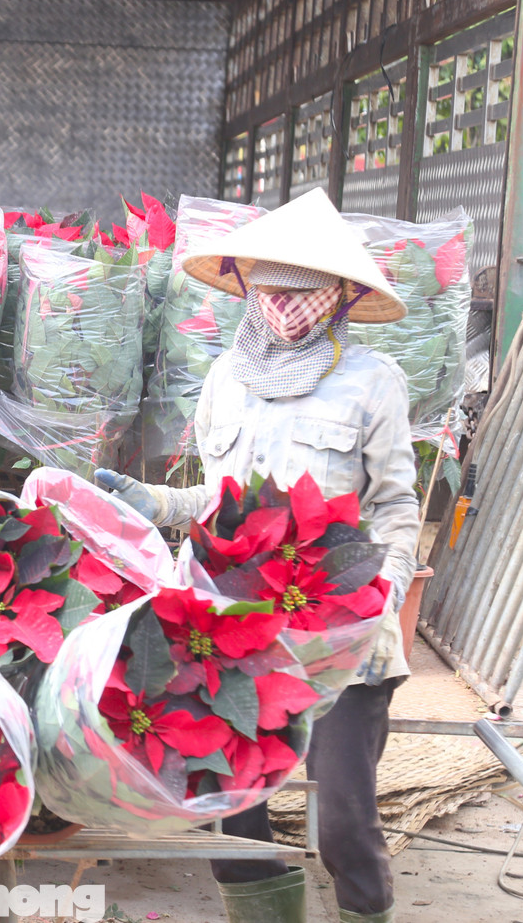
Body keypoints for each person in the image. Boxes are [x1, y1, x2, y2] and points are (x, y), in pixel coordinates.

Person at [96, 187, 419, 923]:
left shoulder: (373, 382)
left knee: (342, 822)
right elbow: (220, 501)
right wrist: (158, 502)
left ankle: (364, 912)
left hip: (344, 643)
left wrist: (383, 593)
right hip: (239, 631)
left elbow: (399, 511)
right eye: (269, 287)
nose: (284, 304)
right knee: (231, 808)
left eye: (303, 290)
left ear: (340, 294)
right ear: (247, 287)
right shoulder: (225, 384)